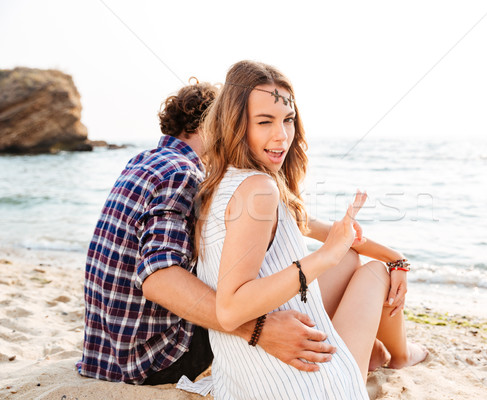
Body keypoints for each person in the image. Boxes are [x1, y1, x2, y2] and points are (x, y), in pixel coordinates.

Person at [192, 60, 427, 399]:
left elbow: (323, 230)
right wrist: (326, 257)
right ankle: (402, 355)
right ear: (236, 125)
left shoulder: (224, 181)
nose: (281, 135)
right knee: (374, 272)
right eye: (264, 122)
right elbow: (229, 310)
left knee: (352, 259)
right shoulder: (259, 189)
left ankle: (378, 349)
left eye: (288, 120)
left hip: (245, 378)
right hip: (304, 386)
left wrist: (396, 258)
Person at [79, 79, 338, 384]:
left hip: (106, 352)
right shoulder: (184, 174)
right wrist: (259, 329)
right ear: (217, 125)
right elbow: (159, 278)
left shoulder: (144, 161)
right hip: (155, 357)